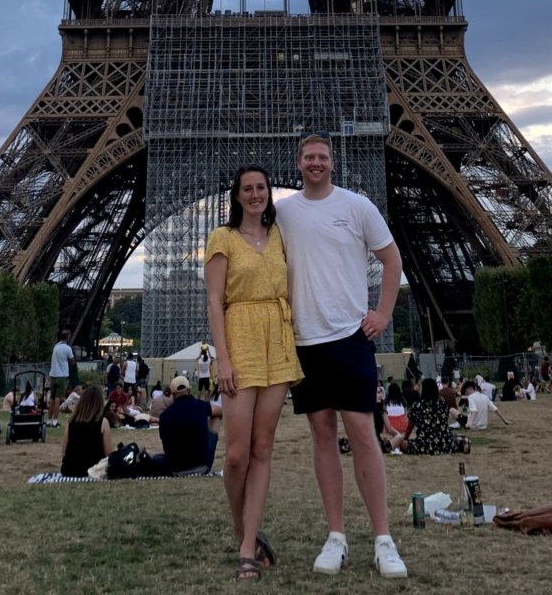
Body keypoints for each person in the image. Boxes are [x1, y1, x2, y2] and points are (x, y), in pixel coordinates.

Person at [276, 130, 407, 579]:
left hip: (350, 336)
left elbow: (393, 259)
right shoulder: (283, 212)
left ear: (332, 162)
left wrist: (383, 314)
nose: (316, 163)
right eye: (309, 157)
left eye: (323, 157)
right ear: (299, 163)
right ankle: (336, 536)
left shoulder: (357, 206)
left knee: (363, 433)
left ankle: (383, 538)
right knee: (321, 434)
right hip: (305, 340)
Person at [205, 165, 301, 581]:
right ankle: (241, 526)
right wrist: (223, 359)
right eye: (248, 188)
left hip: (277, 341)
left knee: (263, 448)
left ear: (268, 193)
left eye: (262, 187)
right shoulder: (222, 239)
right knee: (237, 454)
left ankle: (247, 548)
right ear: (237, 195)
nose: (256, 194)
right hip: (240, 340)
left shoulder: (282, 236)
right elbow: (214, 304)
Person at [156, 376, 222, 475]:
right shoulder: (200, 406)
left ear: (173, 394)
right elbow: (220, 411)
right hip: (202, 466)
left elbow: (166, 449)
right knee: (216, 416)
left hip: (177, 469)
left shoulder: (164, 416)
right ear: (188, 390)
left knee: (157, 457)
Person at [385, 378, 455, 455]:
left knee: (402, 444)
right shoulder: (443, 404)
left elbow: (409, 428)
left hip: (424, 445)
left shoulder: (417, 406)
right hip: (445, 444)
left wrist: (405, 439)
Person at [59, 385, 113, 478]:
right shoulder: (103, 423)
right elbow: (108, 454)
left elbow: (64, 453)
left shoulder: (71, 423)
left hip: (70, 470)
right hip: (94, 470)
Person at [47, 330, 75, 427]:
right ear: (67, 337)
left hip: (53, 375)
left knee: (52, 398)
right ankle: (55, 420)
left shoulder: (56, 347)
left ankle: (49, 420)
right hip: (62, 376)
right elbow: (72, 361)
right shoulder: (67, 348)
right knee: (58, 398)